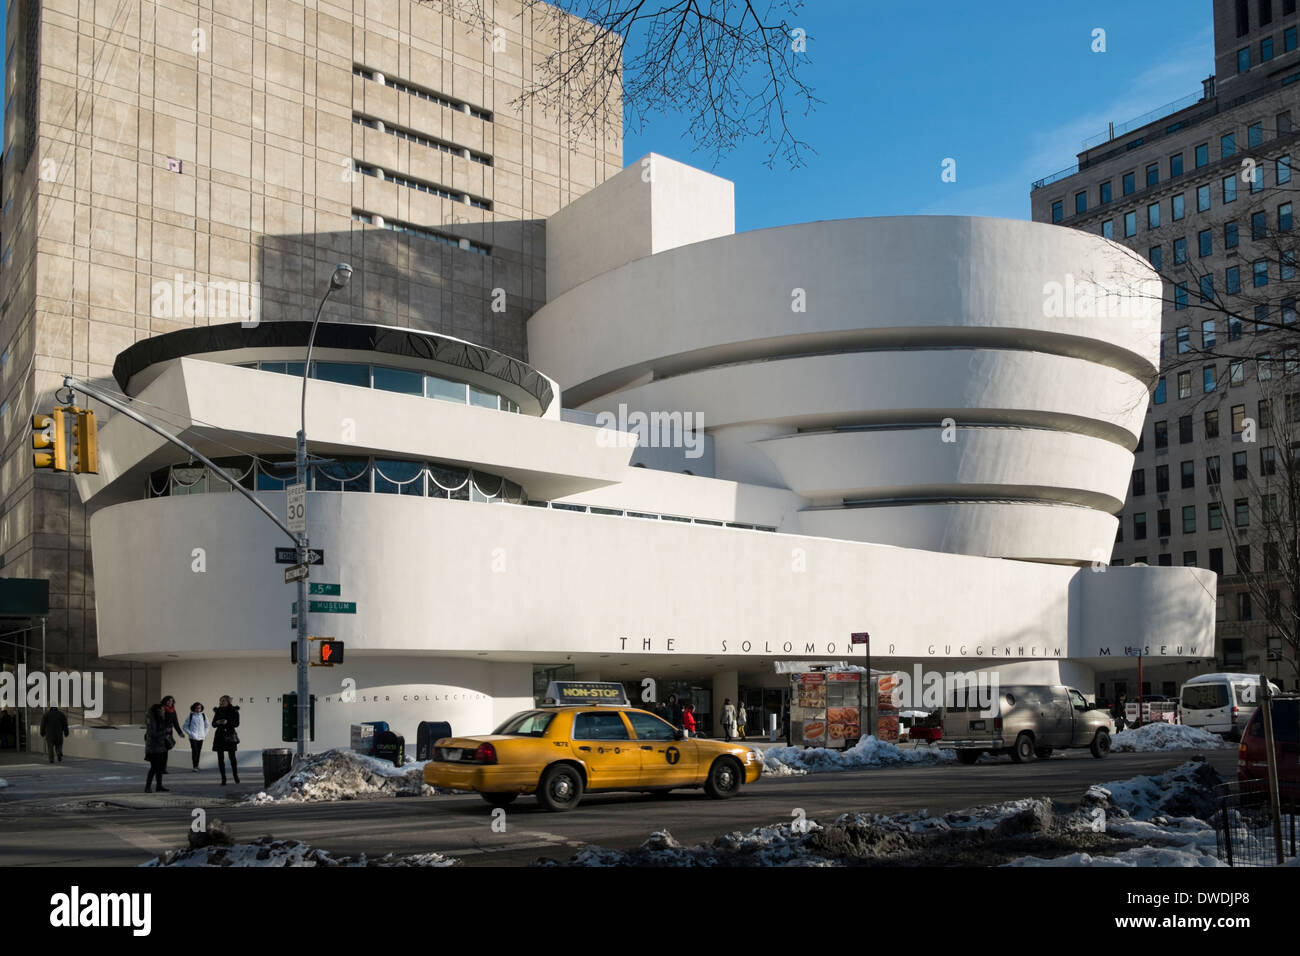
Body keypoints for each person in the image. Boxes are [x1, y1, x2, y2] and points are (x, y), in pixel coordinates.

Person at [143, 701, 174, 792]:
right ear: (158, 711)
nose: (164, 711)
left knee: (160, 768)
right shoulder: (152, 722)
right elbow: (153, 734)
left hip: (161, 747)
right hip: (154, 749)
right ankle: (147, 787)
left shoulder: (160, 720)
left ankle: (159, 786)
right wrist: (165, 731)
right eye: (162, 710)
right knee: (154, 768)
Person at [211, 695, 241, 785]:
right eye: (220, 701)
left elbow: (236, 724)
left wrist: (227, 722)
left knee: (232, 757)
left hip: (230, 735)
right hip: (219, 736)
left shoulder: (234, 711)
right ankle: (223, 779)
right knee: (220, 759)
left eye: (223, 701)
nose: (221, 702)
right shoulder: (218, 711)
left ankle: (235, 776)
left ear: (228, 702)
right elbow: (213, 724)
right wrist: (217, 722)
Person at [183, 702, 209, 772]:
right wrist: (191, 733)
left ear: (201, 708)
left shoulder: (203, 715)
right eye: (196, 708)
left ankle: (197, 765)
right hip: (193, 737)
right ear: (194, 708)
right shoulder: (191, 715)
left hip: (201, 737)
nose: (198, 709)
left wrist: (204, 734)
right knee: (195, 751)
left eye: (199, 708)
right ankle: (194, 766)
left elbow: (207, 726)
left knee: (198, 751)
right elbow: (185, 726)